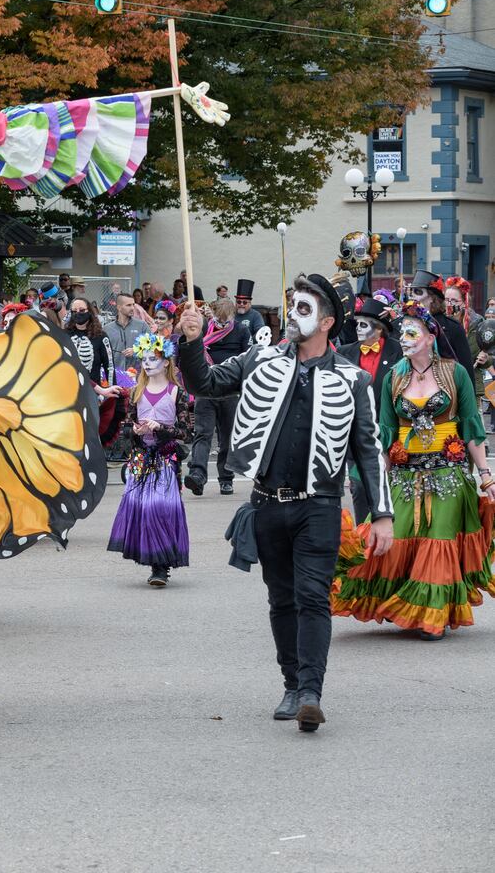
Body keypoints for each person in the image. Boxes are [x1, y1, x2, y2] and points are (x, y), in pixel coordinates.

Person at [178, 274, 392, 733]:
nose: (293, 314)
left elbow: (369, 450)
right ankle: (292, 684)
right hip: (268, 504)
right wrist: (192, 341)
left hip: (320, 505)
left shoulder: (353, 379)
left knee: (313, 598)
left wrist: (381, 515)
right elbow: (205, 383)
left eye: (304, 308)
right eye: (293, 305)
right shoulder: (259, 358)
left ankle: (311, 692)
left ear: (328, 322)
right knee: (281, 599)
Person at [332, 302, 495, 640]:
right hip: (405, 476)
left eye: (412, 333)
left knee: (438, 542)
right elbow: (386, 432)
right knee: (392, 539)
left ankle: (432, 615)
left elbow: (471, 426)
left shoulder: (455, 373)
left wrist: (485, 475)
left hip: (448, 476)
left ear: (430, 338)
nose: (404, 339)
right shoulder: (395, 376)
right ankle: (400, 602)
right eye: (402, 333)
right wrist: (375, 483)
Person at [108, 334, 191, 587]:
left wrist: (161, 428)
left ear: (166, 362)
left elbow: (186, 432)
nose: (147, 363)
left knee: (160, 508)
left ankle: (161, 567)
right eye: (144, 359)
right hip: (141, 458)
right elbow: (126, 427)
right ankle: (152, 559)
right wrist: (135, 430)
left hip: (165, 458)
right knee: (142, 510)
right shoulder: (136, 391)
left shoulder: (176, 392)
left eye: (152, 359)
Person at [337, 297, 403, 523]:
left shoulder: (397, 351)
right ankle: (363, 535)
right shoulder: (344, 352)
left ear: (379, 329)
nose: (358, 329)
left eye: (363, 324)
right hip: (356, 432)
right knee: (359, 487)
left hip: (389, 432)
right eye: (357, 324)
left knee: (388, 488)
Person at [184, 297, 251, 497]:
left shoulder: (241, 331)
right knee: (202, 433)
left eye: (225, 320)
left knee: (227, 438)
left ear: (232, 316)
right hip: (206, 390)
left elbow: (248, 359)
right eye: (218, 319)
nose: (221, 324)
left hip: (230, 391)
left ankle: (226, 479)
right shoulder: (205, 328)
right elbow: (193, 346)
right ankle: (197, 475)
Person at [67, 297, 126, 445]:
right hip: (68, 394)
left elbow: (109, 365)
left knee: (91, 433)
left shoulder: (100, 336)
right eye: (74, 311)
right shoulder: (65, 335)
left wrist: (109, 390)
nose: (78, 314)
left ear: (89, 311)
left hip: (93, 394)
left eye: (82, 310)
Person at [406, 269, 476, 379]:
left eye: (418, 292)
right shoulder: (405, 324)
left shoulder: (453, 328)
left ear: (432, 298)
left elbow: (466, 371)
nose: (412, 297)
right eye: (411, 292)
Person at [103, 291, 151, 363]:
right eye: (128, 305)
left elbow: (151, 345)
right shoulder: (107, 329)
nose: (132, 308)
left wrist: (136, 350)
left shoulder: (142, 325)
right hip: (116, 369)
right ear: (119, 307)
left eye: (133, 305)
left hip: (137, 369)